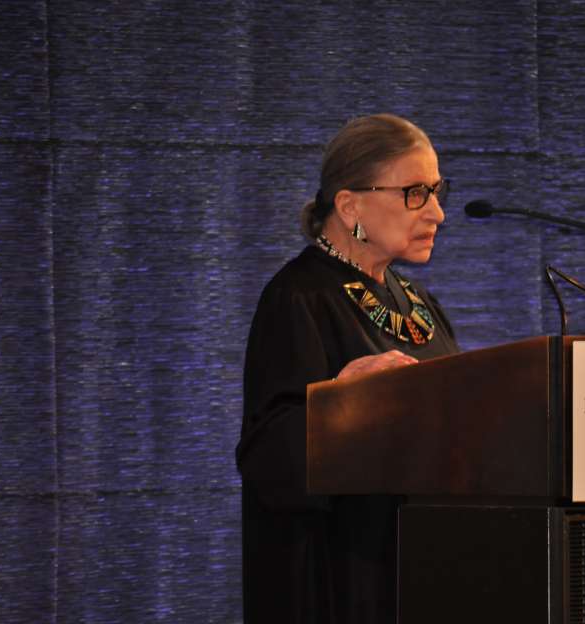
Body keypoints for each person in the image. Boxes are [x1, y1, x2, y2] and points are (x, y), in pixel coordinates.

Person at [236, 113, 460, 623]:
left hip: (427, 570)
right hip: (342, 579)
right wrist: (338, 402)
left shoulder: (419, 303)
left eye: (438, 191)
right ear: (349, 204)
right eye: (416, 193)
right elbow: (268, 457)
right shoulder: (298, 298)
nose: (438, 214)